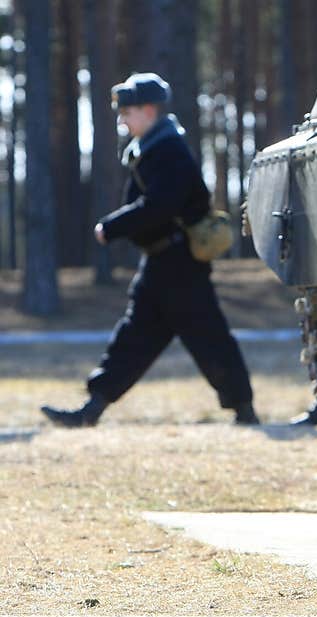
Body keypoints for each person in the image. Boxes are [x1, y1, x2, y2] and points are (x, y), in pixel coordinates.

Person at [41, 73, 259, 428]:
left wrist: (111, 228)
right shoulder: (153, 147)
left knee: (210, 339)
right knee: (132, 339)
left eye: (127, 110)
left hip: (180, 265)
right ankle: (91, 409)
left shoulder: (169, 149)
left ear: (148, 109)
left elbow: (159, 205)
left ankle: (245, 412)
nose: (122, 118)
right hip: (161, 262)